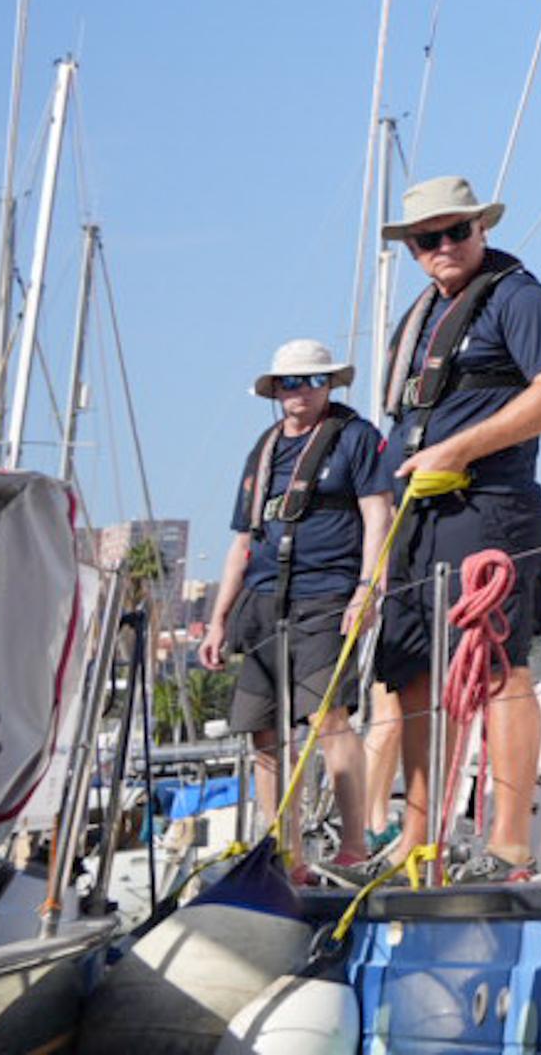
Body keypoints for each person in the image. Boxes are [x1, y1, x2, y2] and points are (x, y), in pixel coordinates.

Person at [367, 176, 541, 877]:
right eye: (427, 238)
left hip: (487, 504)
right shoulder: (419, 316)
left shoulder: (517, 297)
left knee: (495, 667)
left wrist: (459, 449)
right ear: (413, 249)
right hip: (416, 516)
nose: (444, 245)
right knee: (411, 677)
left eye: (457, 230)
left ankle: (509, 843)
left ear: (481, 228)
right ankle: (415, 842)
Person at [200, 341, 390, 857]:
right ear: (275, 391)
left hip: (326, 595)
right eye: (290, 382)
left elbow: (377, 515)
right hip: (264, 600)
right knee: (263, 731)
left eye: (314, 380)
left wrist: (367, 588)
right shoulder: (263, 450)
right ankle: (285, 851)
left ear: (330, 385)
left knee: (329, 720)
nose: (302, 390)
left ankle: (354, 844)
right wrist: (218, 620)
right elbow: (242, 541)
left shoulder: (355, 437)